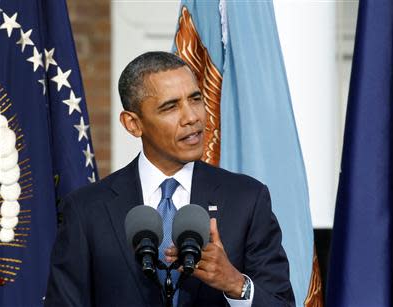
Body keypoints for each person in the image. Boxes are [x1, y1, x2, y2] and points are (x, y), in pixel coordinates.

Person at [45, 52, 295, 307]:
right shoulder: (86, 209)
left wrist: (235, 284)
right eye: (171, 107)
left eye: (196, 99)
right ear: (133, 124)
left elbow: (281, 302)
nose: (192, 117)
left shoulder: (247, 199)